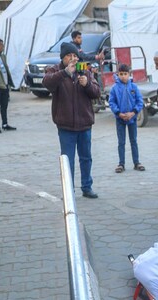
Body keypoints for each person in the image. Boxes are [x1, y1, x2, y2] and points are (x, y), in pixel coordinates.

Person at [43, 43, 100, 199]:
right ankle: (69, 191)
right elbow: (47, 83)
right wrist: (65, 73)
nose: (74, 59)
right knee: (67, 161)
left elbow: (96, 92)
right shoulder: (55, 70)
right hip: (66, 125)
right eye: (70, 56)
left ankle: (87, 187)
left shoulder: (84, 70)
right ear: (63, 58)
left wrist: (87, 84)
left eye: (75, 56)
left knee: (86, 158)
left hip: (85, 124)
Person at [109, 63, 144, 174]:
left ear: (129, 74)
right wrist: (118, 113)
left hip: (132, 119)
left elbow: (140, 101)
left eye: (125, 74)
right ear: (117, 74)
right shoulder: (114, 88)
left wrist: (133, 112)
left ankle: (136, 162)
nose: (123, 76)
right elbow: (111, 102)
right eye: (121, 74)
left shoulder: (134, 87)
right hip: (120, 119)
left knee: (133, 141)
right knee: (121, 142)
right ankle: (121, 163)